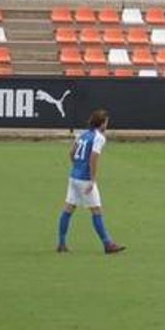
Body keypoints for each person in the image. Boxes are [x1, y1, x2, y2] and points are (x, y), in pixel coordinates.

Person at [57, 109, 125, 254]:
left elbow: (71, 153)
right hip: (85, 179)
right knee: (96, 211)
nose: (107, 125)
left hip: (74, 177)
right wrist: (92, 179)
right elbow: (94, 158)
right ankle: (108, 244)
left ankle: (61, 243)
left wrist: (76, 167)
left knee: (68, 209)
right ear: (102, 123)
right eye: (106, 122)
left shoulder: (82, 134)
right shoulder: (99, 137)